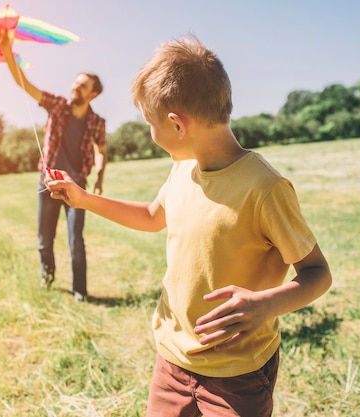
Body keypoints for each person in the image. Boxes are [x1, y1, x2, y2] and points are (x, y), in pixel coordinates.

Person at [45, 35, 332, 416]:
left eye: (150, 122)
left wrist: (266, 304)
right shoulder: (183, 168)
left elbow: (317, 273)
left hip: (238, 374)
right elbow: (152, 217)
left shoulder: (265, 188)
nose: (150, 133)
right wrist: (83, 199)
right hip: (172, 361)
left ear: (177, 125)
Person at [0, 29, 107, 302]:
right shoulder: (56, 105)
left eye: (82, 86)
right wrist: (7, 51)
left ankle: (80, 290)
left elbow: (102, 152)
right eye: (75, 83)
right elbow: (24, 83)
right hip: (48, 182)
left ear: (93, 94)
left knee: (75, 239)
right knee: (44, 237)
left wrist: (100, 176)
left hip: (76, 185)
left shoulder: (96, 122)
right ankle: (48, 277)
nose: (74, 87)